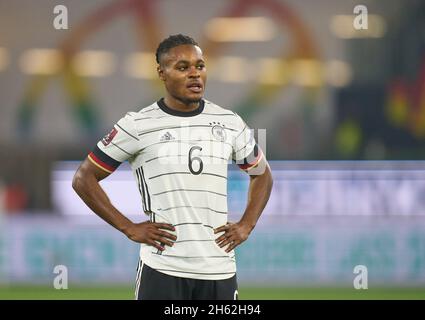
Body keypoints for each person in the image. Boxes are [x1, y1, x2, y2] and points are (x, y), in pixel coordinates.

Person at [72, 34, 273, 300]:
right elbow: (83, 178)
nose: (194, 74)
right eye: (182, 67)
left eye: (199, 66)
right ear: (162, 73)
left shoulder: (229, 122)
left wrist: (247, 224)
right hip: (163, 268)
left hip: (219, 270)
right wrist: (128, 227)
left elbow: (262, 174)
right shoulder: (137, 125)